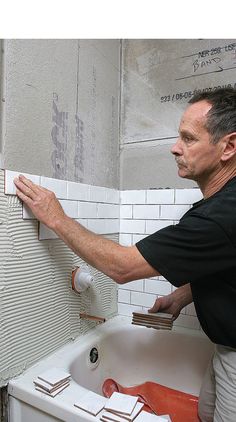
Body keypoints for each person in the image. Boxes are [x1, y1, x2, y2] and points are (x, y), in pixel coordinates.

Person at [14, 87, 236, 422]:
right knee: (205, 412)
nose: (175, 148)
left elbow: (122, 266)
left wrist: (55, 217)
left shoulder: (220, 216)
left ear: (229, 147)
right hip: (224, 347)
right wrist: (181, 296)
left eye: (188, 139)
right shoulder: (221, 208)